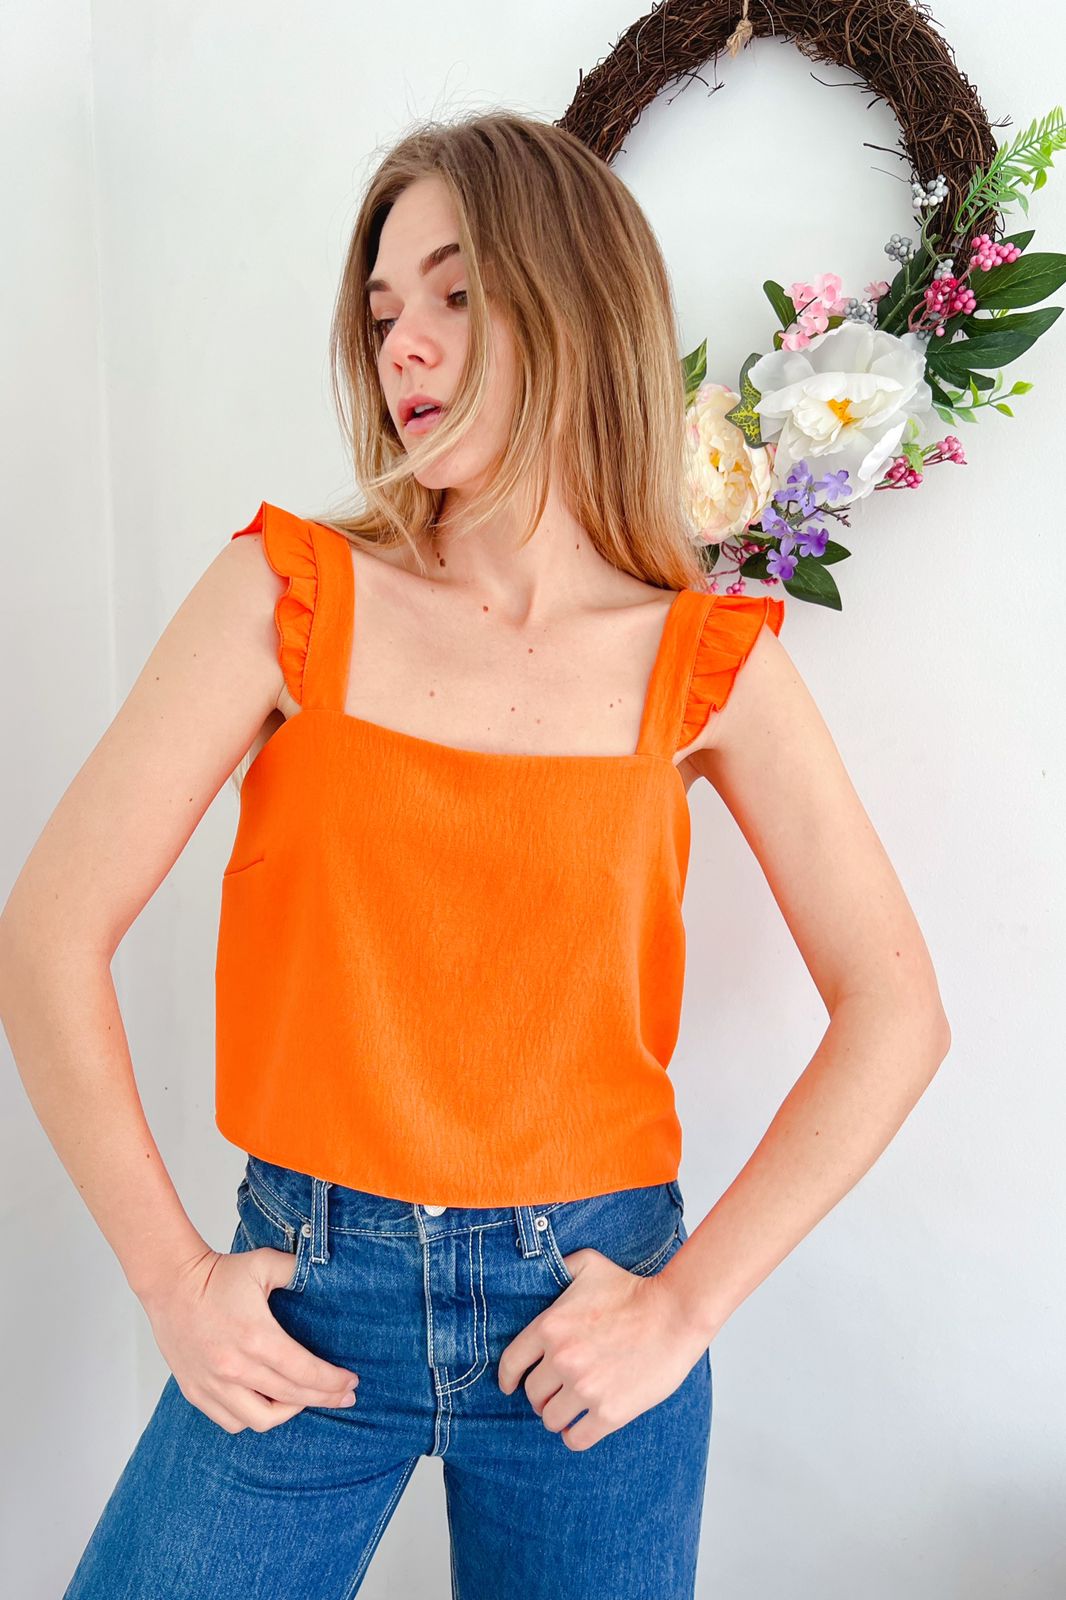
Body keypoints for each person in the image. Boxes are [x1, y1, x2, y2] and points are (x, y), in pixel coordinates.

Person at [0, 111, 951, 1599]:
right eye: (383, 310)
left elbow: (896, 1010)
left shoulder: (709, 663)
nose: (404, 345)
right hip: (304, 1305)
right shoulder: (285, 596)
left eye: (454, 293)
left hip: (587, 1326)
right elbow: (48, 932)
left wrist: (684, 1309)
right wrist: (170, 1281)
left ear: (574, 308)